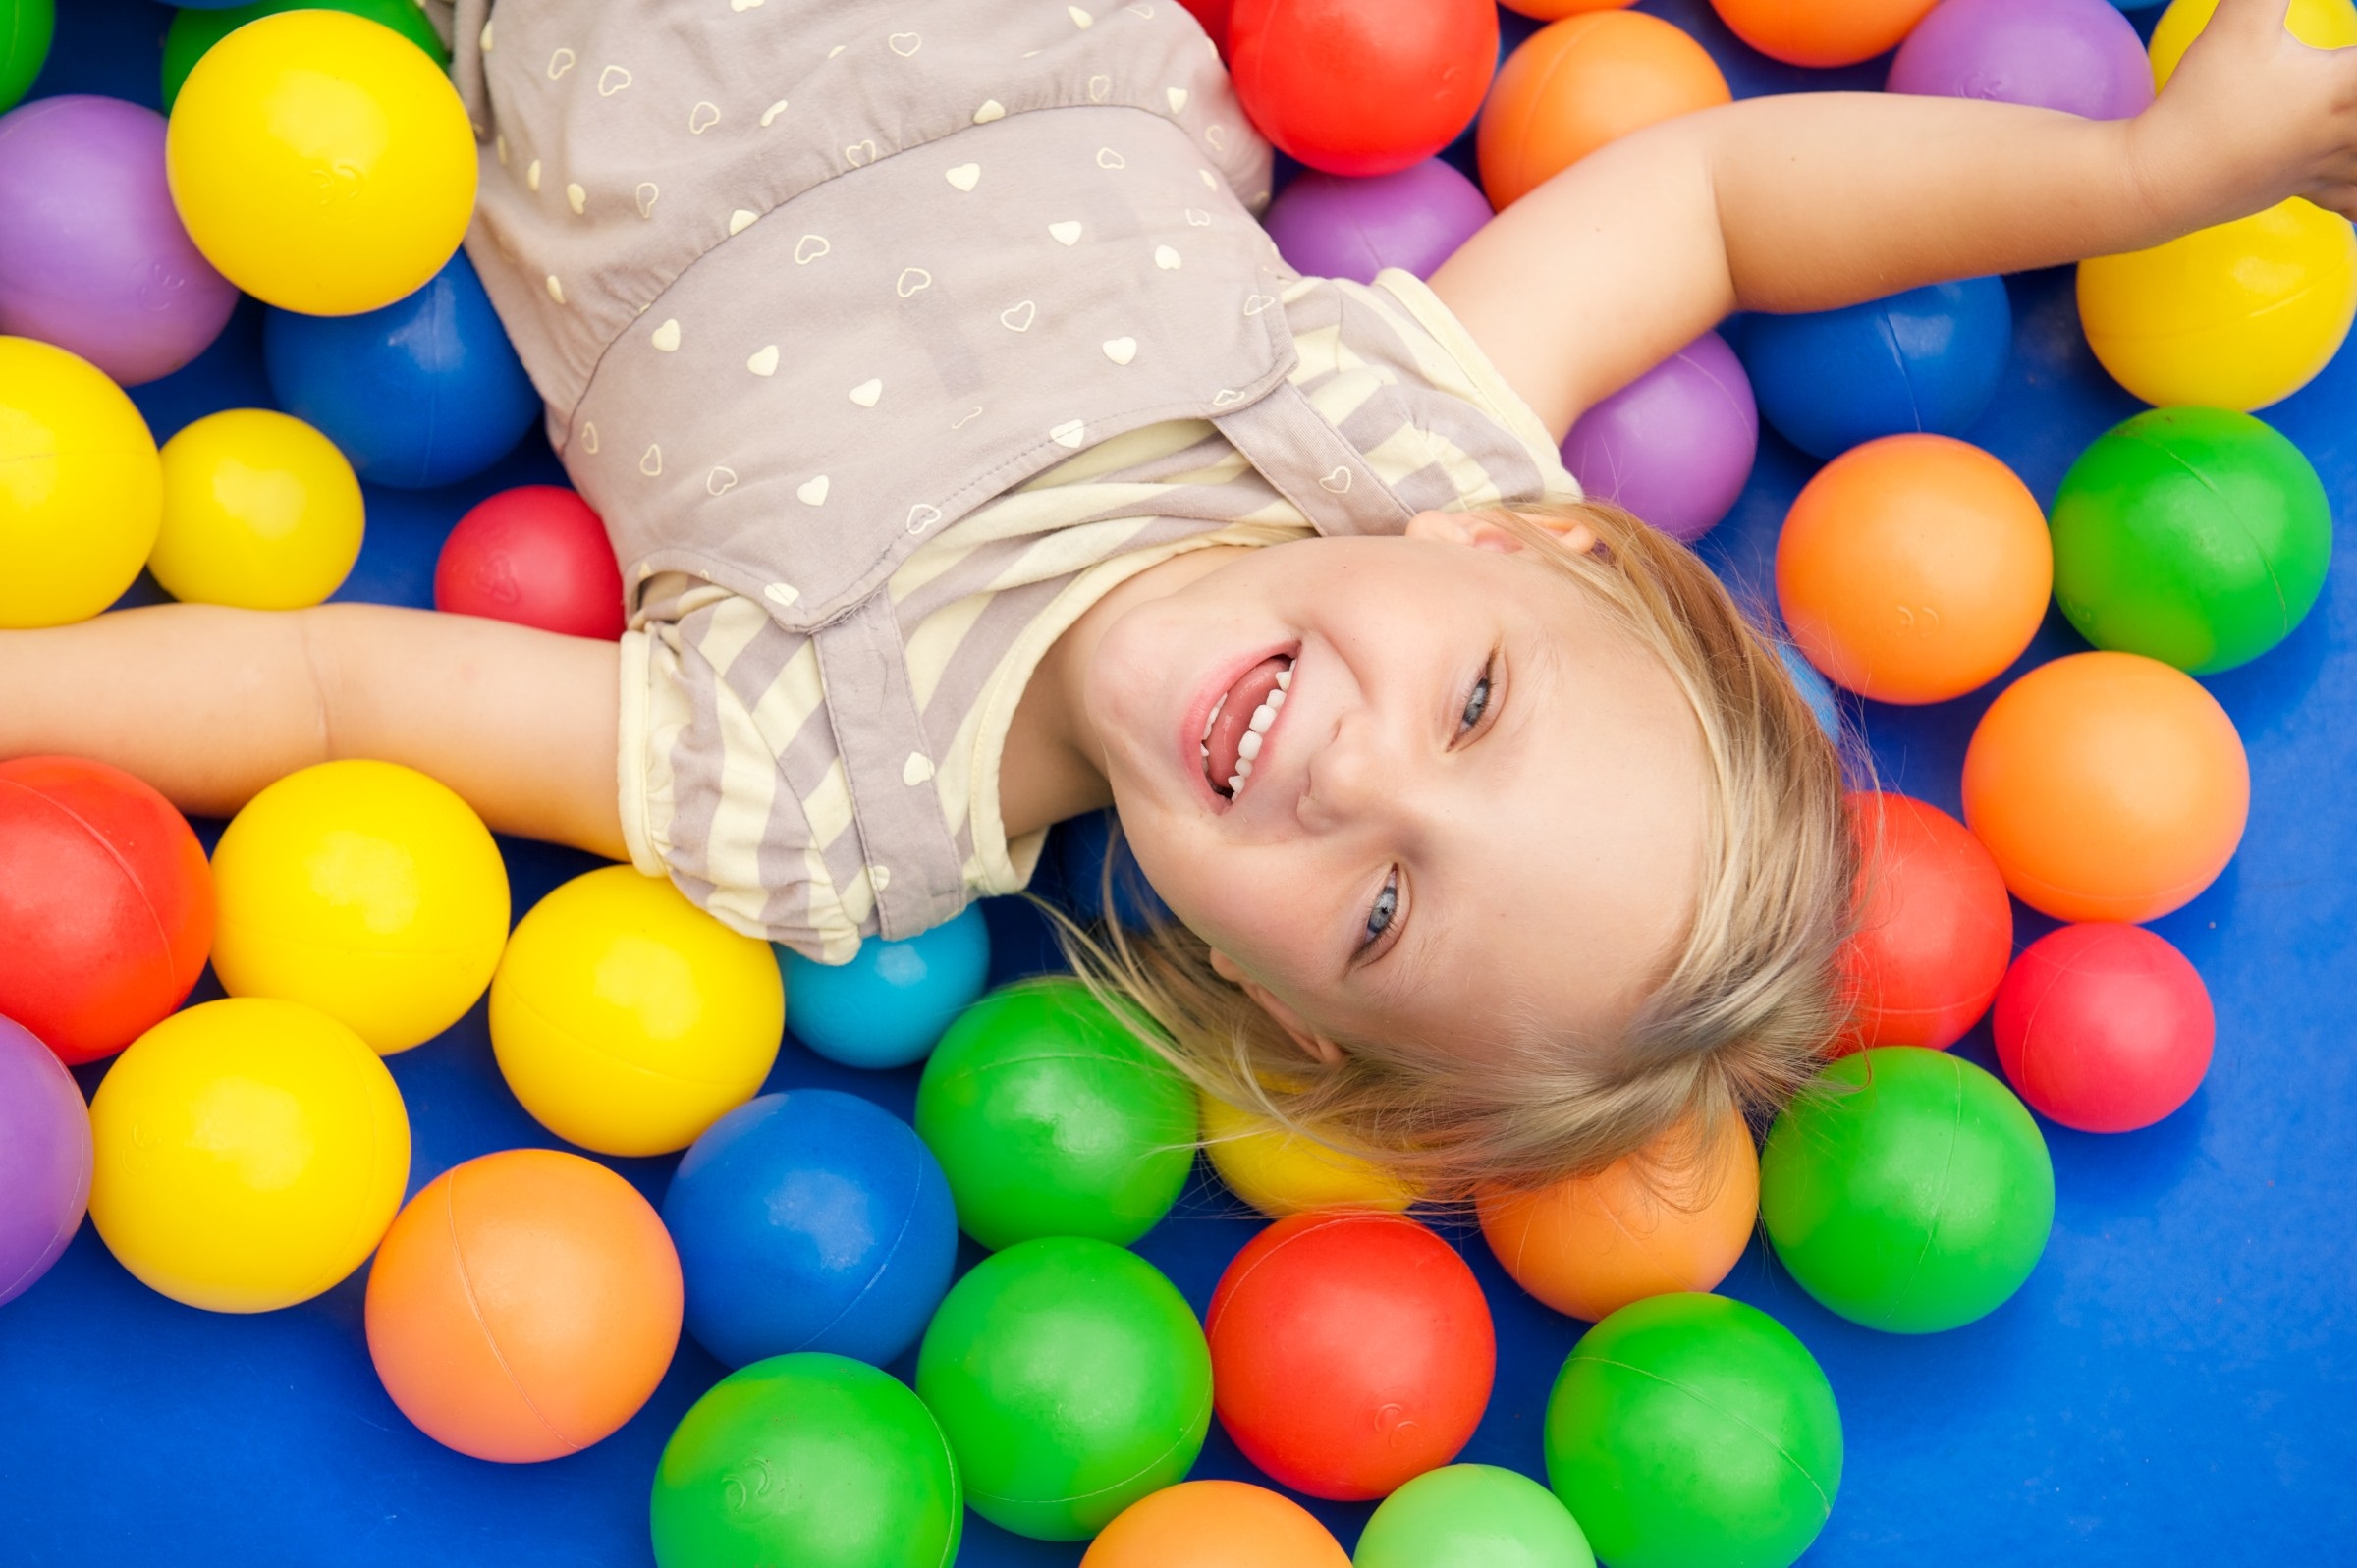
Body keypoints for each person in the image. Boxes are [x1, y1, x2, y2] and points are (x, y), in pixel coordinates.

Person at [4, 0, 2348, 1190]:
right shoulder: (1381, 441)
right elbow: (1722, 198)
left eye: (1387, 915)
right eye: (1478, 713)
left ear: (1274, 1004)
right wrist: (2139, 170)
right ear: (1523, 545)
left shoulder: (822, 799)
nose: (1350, 776)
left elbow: (322, 685)